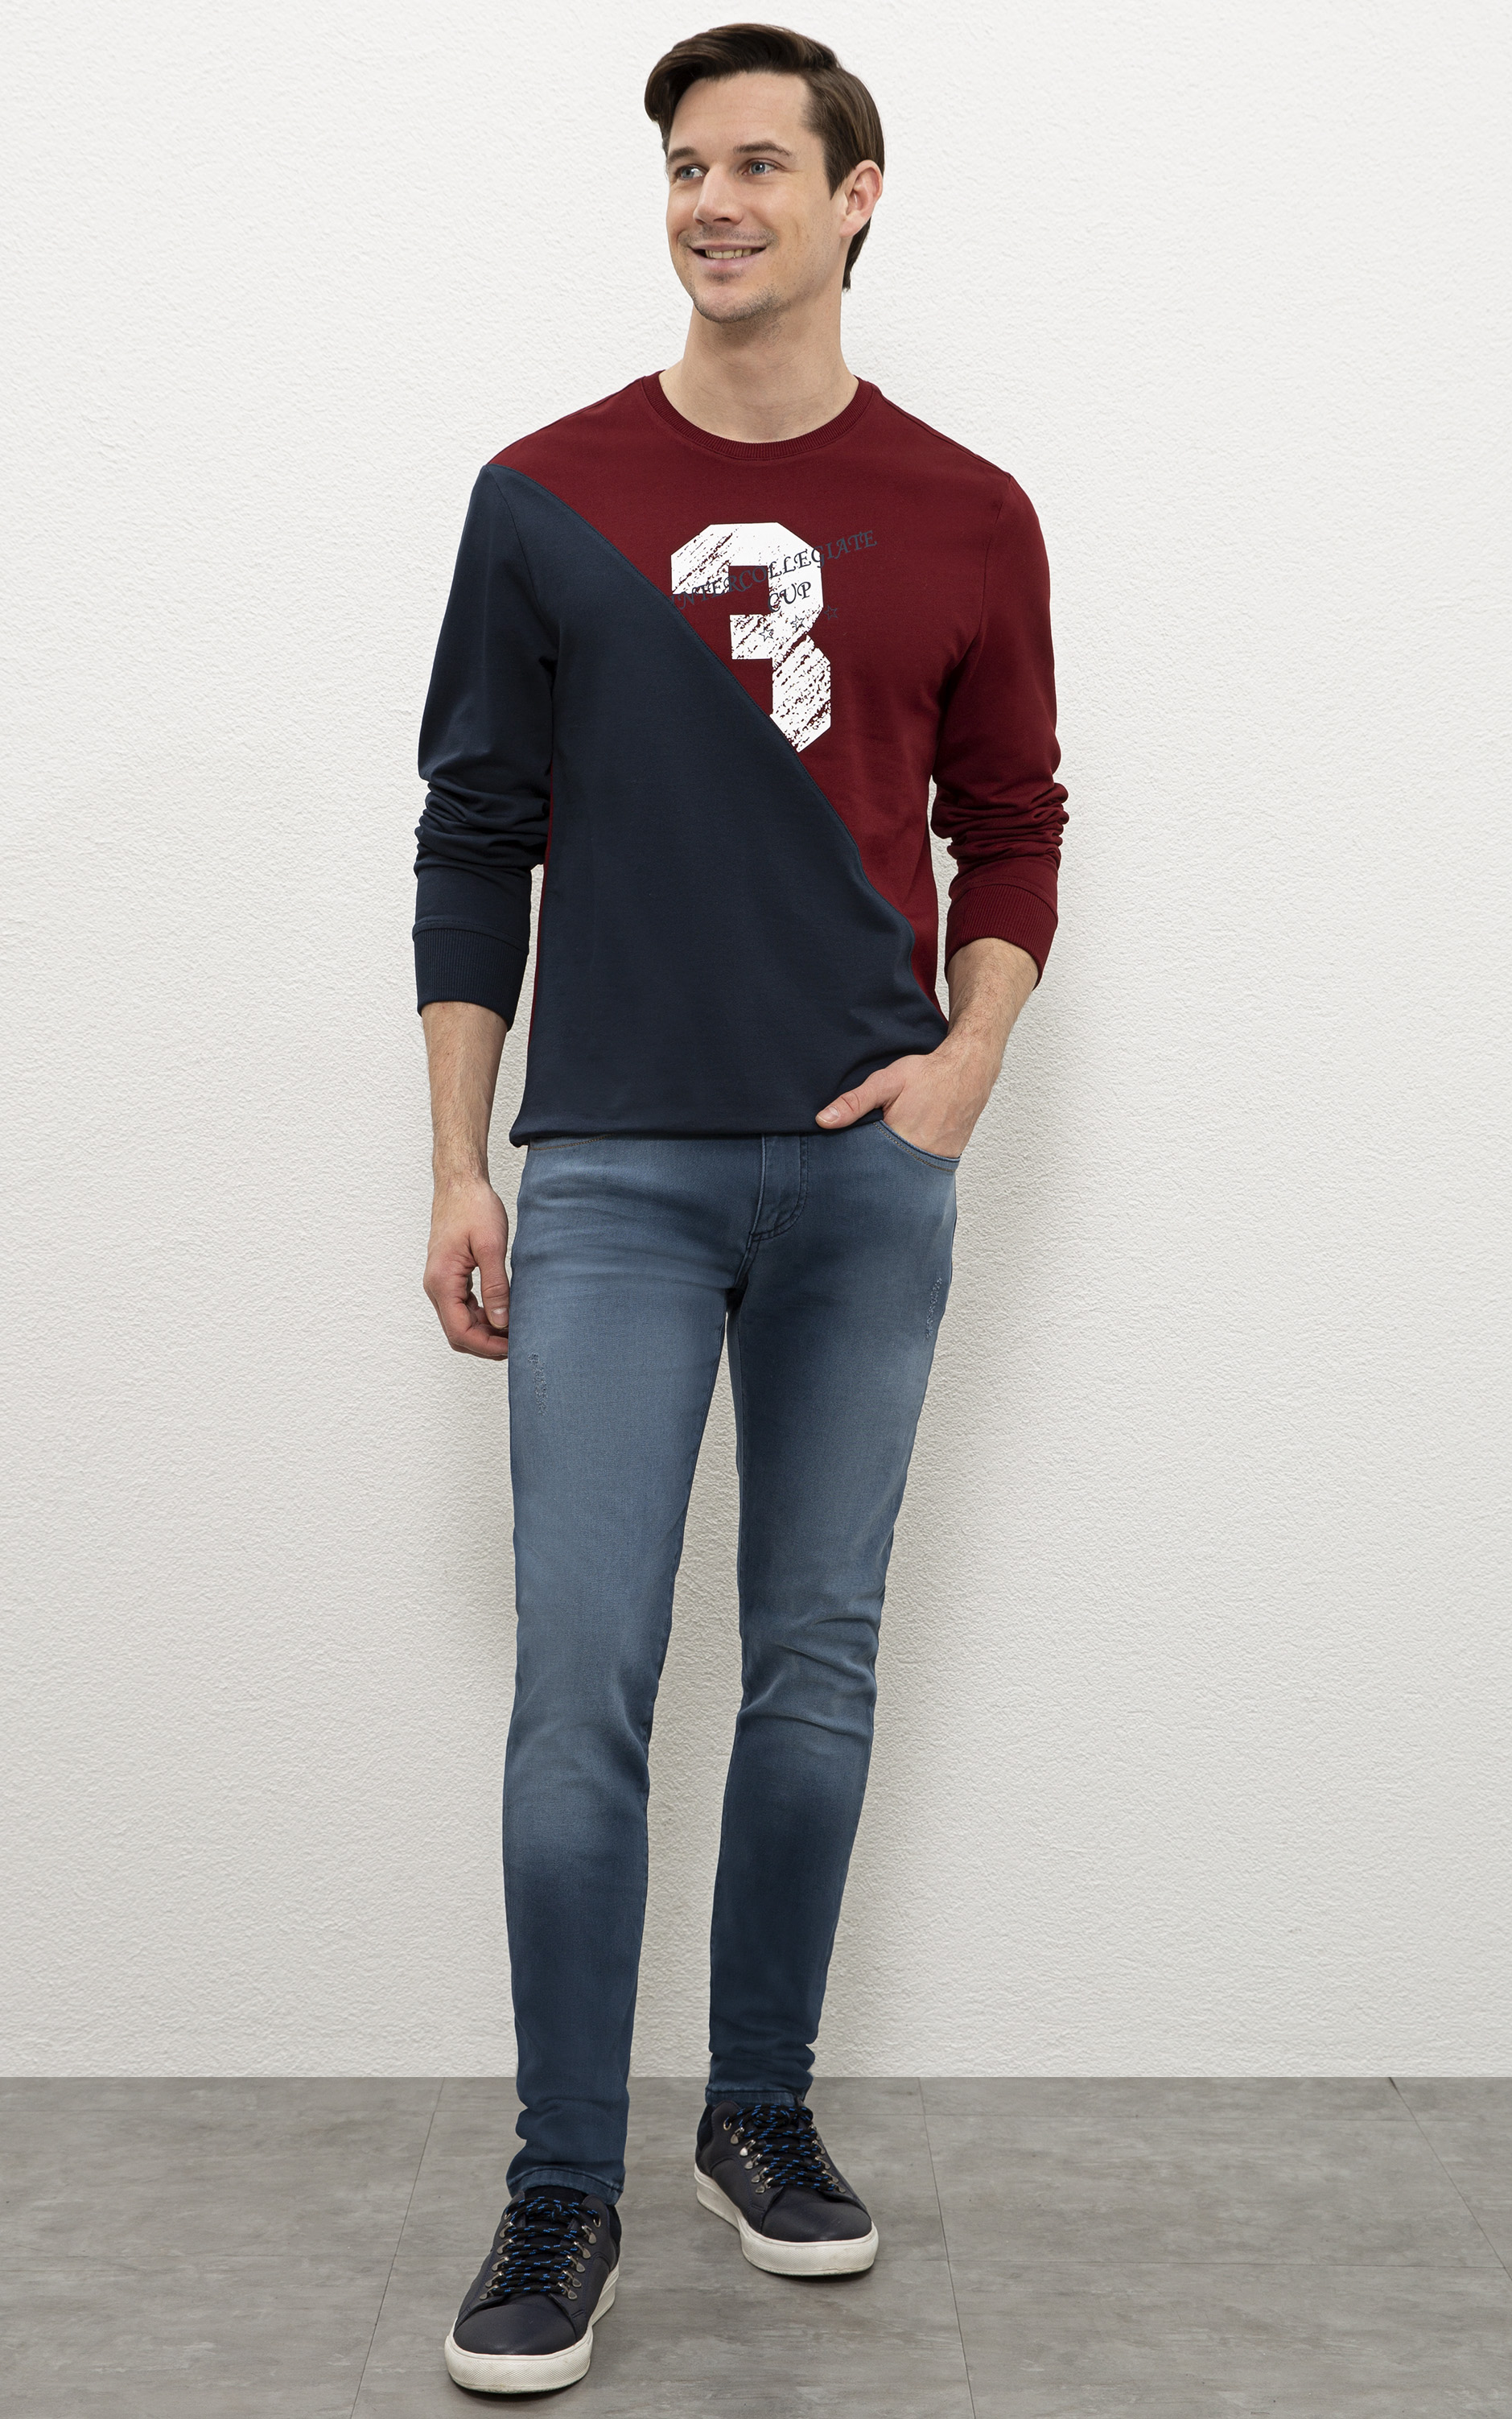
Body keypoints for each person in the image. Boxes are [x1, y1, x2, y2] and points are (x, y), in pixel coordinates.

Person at [414, 21, 1066, 2395]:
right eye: (689, 166)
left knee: (813, 1662)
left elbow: (1017, 822)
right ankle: (559, 2183)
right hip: (607, 1174)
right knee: (580, 1684)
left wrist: (963, 1070)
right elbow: (473, 831)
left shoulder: (969, 509)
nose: (716, 201)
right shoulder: (543, 493)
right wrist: (458, 1158)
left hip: (861, 1179)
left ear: (857, 195)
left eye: (763, 164)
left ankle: (758, 2115)